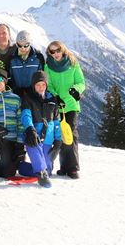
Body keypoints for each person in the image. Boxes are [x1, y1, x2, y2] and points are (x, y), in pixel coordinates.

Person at [44, 40, 85, 179]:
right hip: (57, 106)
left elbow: (81, 82)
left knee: (71, 133)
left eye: (58, 50)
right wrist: (55, 96)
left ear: (63, 50)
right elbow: (47, 84)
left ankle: (73, 168)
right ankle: (64, 166)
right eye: (52, 51)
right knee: (60, 134)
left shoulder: (73, 64)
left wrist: (76, 90)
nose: (56, 54)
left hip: (71, 105)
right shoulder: (48, 66)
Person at [9, 30, 45, 97]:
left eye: (26, 45)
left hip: (34, 94)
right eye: (19, 45)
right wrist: (15, 89)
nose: (22, 48)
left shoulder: (38, 57)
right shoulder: (12, 59)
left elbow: (42, 76)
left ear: (30, 43)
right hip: (17, 94)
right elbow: (10, 77)